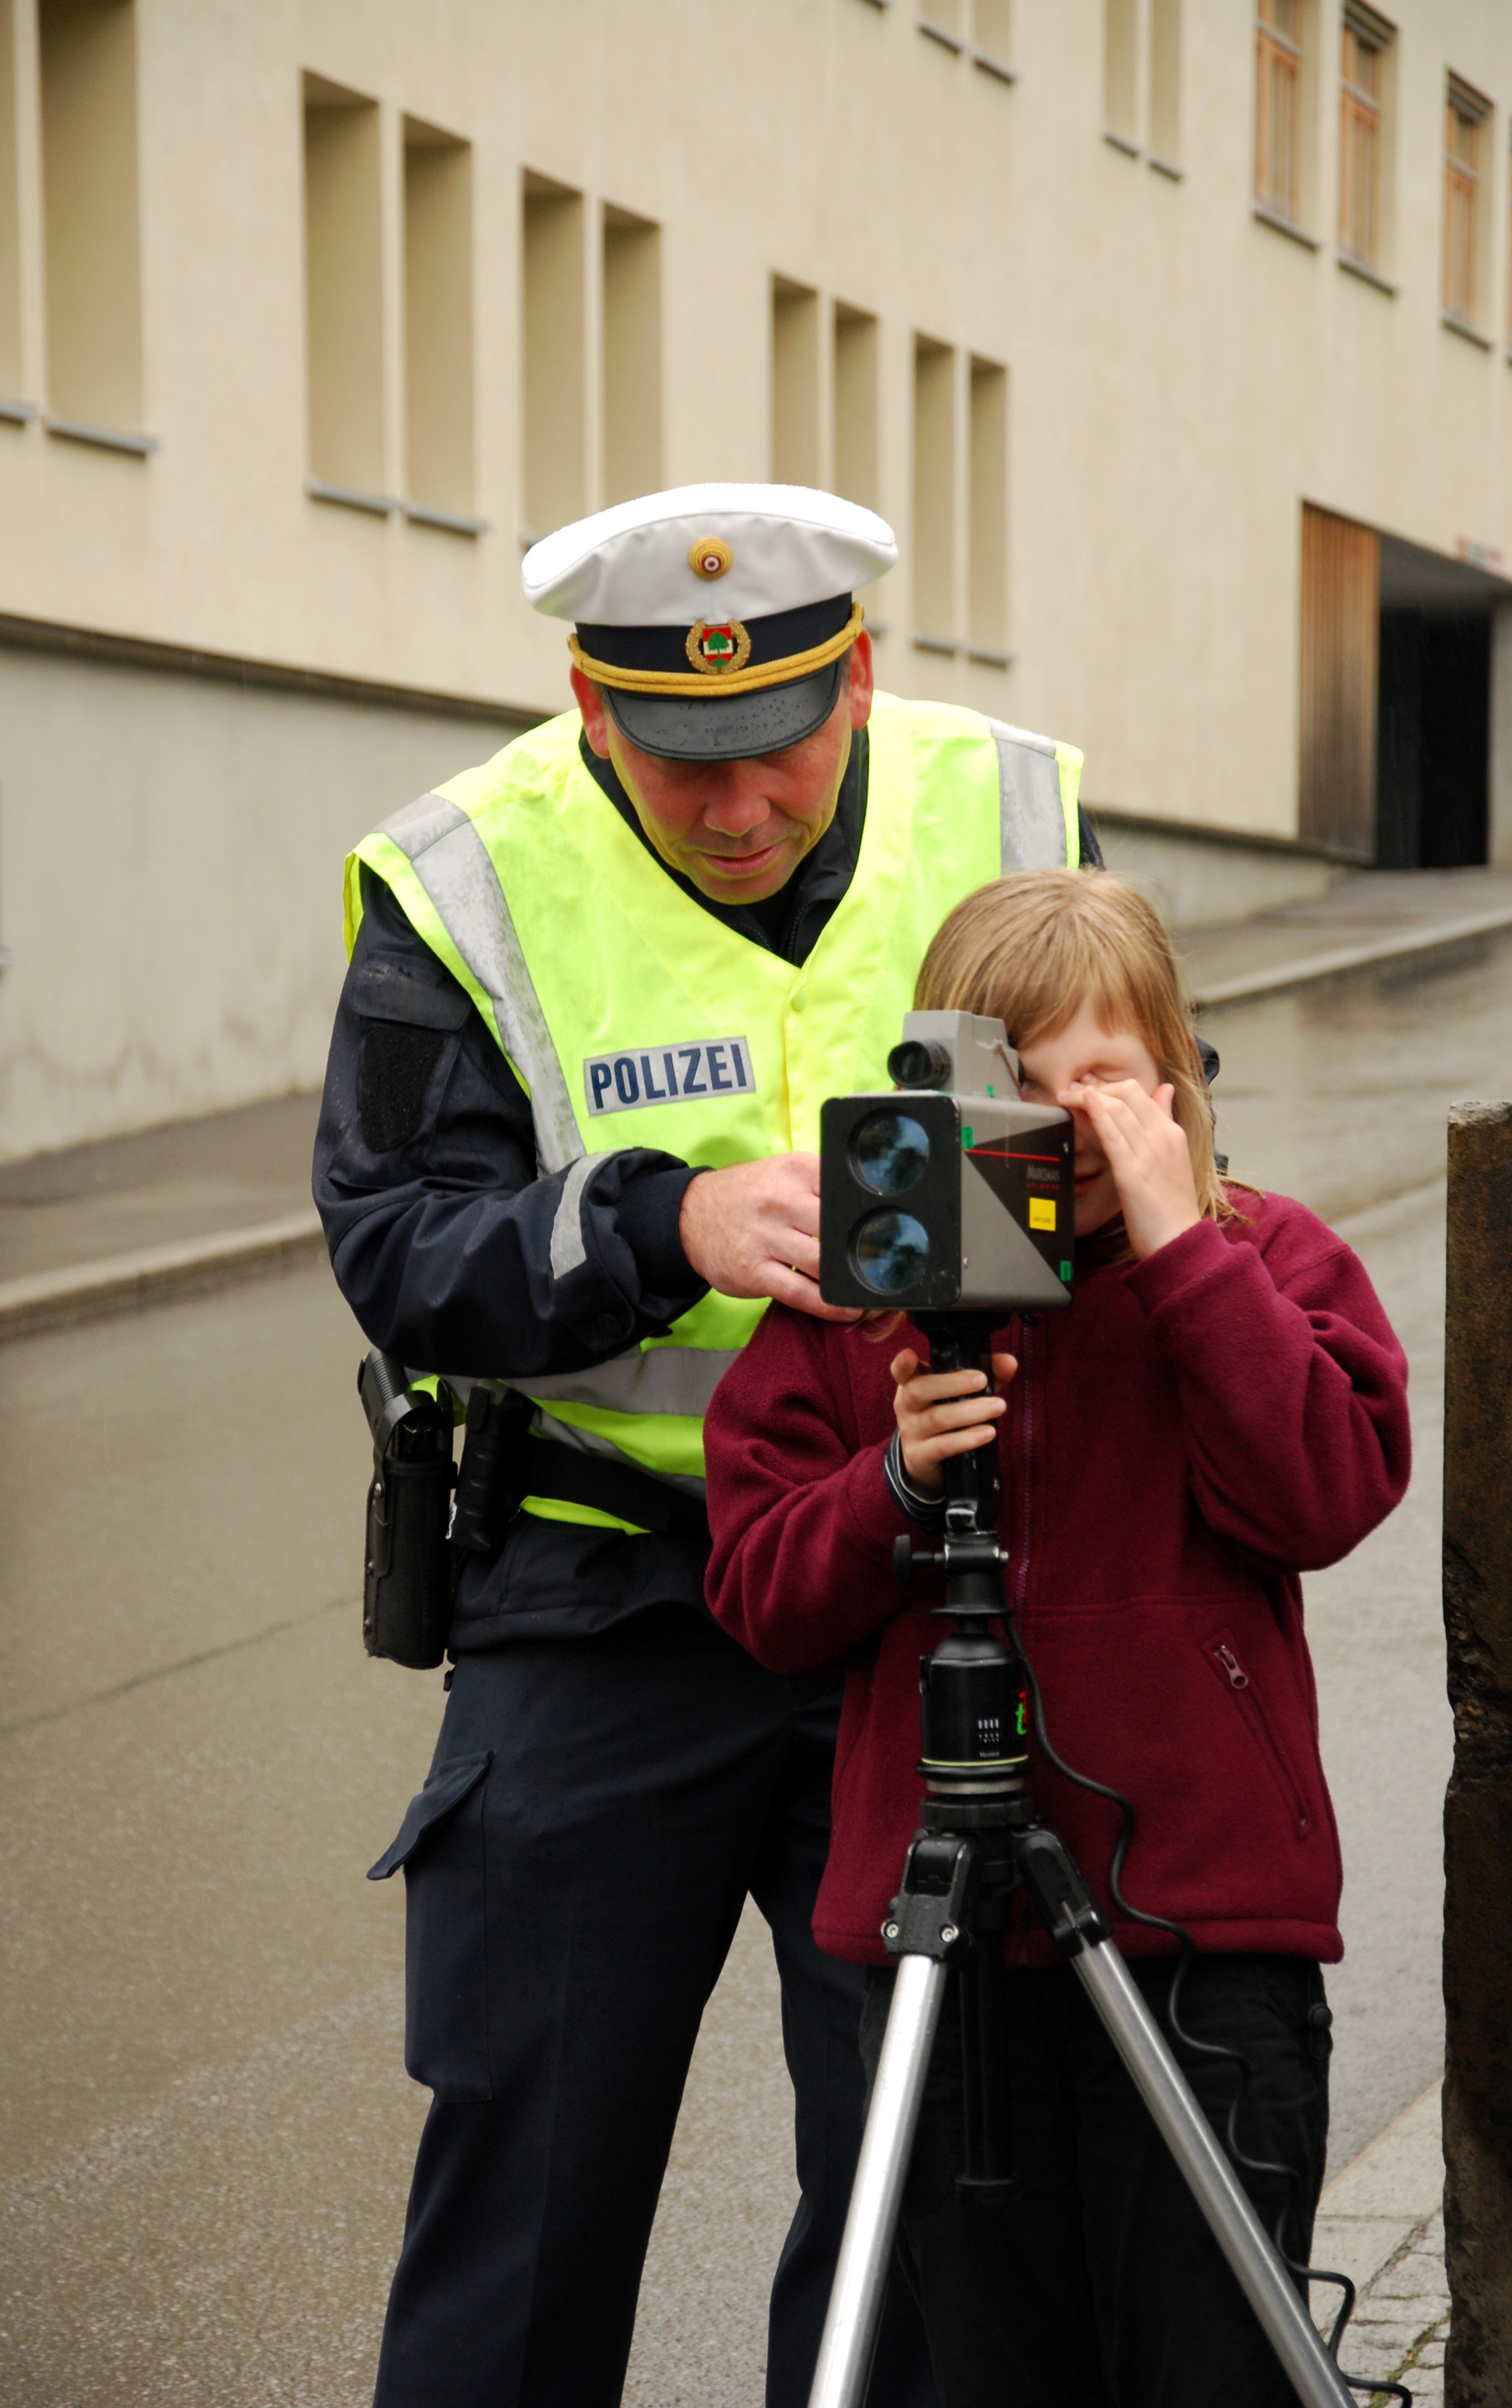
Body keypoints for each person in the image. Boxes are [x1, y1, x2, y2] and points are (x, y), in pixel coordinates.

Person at [313, 484, 1095, 2408]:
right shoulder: (468, 873)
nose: (741, 809)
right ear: (595, 711)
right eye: (683, 767)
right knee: (528, 2196)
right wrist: (665, 1226)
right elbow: (396, 1243)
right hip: (602, 1594)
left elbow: (1140, 1127)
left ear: (860, 684)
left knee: (920, 2196)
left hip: (904, 1581)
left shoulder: (1008, 811)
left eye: (781, 753)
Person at [703, 868, 1413, 2408]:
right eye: (1016, 1085)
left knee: (1212, 2361)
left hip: (1203, 1940)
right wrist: (894, 1479)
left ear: (1172, 1077)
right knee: (988, 2364)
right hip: (951, 1954)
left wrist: (1184, 1257)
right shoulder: (865, 1308)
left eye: (1099, 1079)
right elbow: (760, 1592)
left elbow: (1325, 1491)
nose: (1060, 1125)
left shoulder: (1262, 1259)